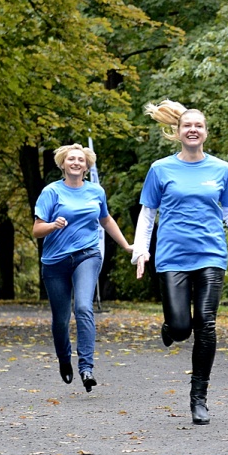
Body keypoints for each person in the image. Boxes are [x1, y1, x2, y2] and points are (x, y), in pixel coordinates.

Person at [133, 99, 228, 426]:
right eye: (188, 125)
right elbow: (148, 214)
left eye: (199, 125)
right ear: (178, 132)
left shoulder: (222, 170)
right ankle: (171, 326)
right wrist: (141, 249)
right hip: (172, 256)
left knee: (207, 323)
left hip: (211, 253)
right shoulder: (160, 169)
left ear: (206, 132)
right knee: (183, 328)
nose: (193, 129)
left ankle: (199, 398)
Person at [34, 144, 133, 391]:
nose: (76, 162)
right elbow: (36, 229)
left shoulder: (96, 191)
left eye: (80, 159)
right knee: (60, 319)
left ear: (87, 166)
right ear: (63, 164)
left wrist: (126, 245)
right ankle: (64, 358)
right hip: (55, 261)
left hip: (87, 255)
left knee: (83, 307)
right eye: (71, 159)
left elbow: (106, 219)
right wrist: (53, 225)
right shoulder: (51, 192)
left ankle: (86, 367)